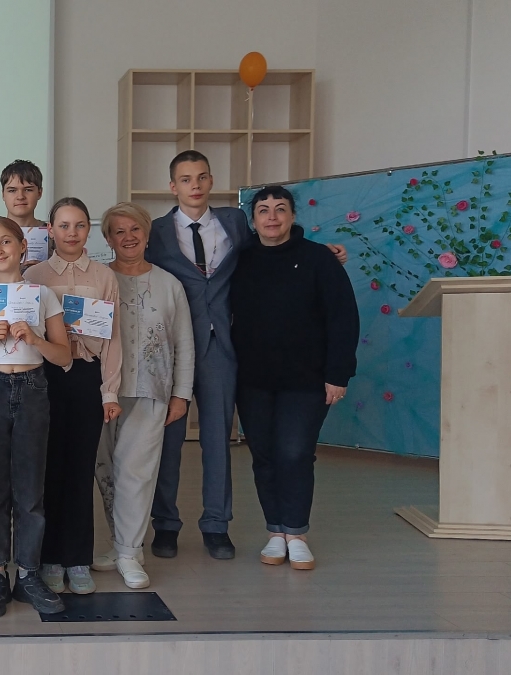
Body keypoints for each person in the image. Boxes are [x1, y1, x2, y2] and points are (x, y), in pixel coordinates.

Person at [145, 150, 347, 561]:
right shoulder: (156, 231)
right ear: (173, 186)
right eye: (186, 179)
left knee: (217, 441)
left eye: (202, 177)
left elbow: (275, 246)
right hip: (171, 349)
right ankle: (165, 524)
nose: (195, 185)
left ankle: (216, 526)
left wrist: (321, 251)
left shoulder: (235, 221)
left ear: (211, 180)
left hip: (222, 347)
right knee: (168, 441)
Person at [231, 186, 359, 571]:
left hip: (306, 380)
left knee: (295, 453)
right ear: (253, 220)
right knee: (264, 455)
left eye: (280, 209)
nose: (272, 217)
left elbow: (343, 319)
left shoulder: (319, 259)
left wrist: (338, 374)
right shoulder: (240, 259)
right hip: (252, 379)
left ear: (292, 216)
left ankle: (297, 533)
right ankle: (275, 530)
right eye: (263, 210)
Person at [0, 217, 71, 618]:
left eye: (6, 241)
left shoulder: (43, 295)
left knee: (30, 489)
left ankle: (28, 573)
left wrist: (35, 338)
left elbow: (64, 356)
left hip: (33, 389)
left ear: (23, 246)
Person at [91, 202, 194, 589]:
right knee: (106, 472)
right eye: (118, 231)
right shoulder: (99, 281)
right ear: (108, 239)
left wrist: (181, 394)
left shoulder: (170, 285)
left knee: (136, 472)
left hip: (152, 393)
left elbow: (184, 343)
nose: (128, 237)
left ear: (147, 234)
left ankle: (131, 552)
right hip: (103, 393)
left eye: (134, 229)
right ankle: (119, 543)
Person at [23, 198, 122, 595]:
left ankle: (78, 558)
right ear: (50, 230)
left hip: (86, 376)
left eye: (79, 225)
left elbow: (113, 340)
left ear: (88, 230)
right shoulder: (34, 275)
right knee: (48, 469)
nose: (72, 233)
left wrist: (109, 391)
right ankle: (49, 557)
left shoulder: (104, 276)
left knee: (81, 469)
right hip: (45, 376)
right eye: (63, 226)